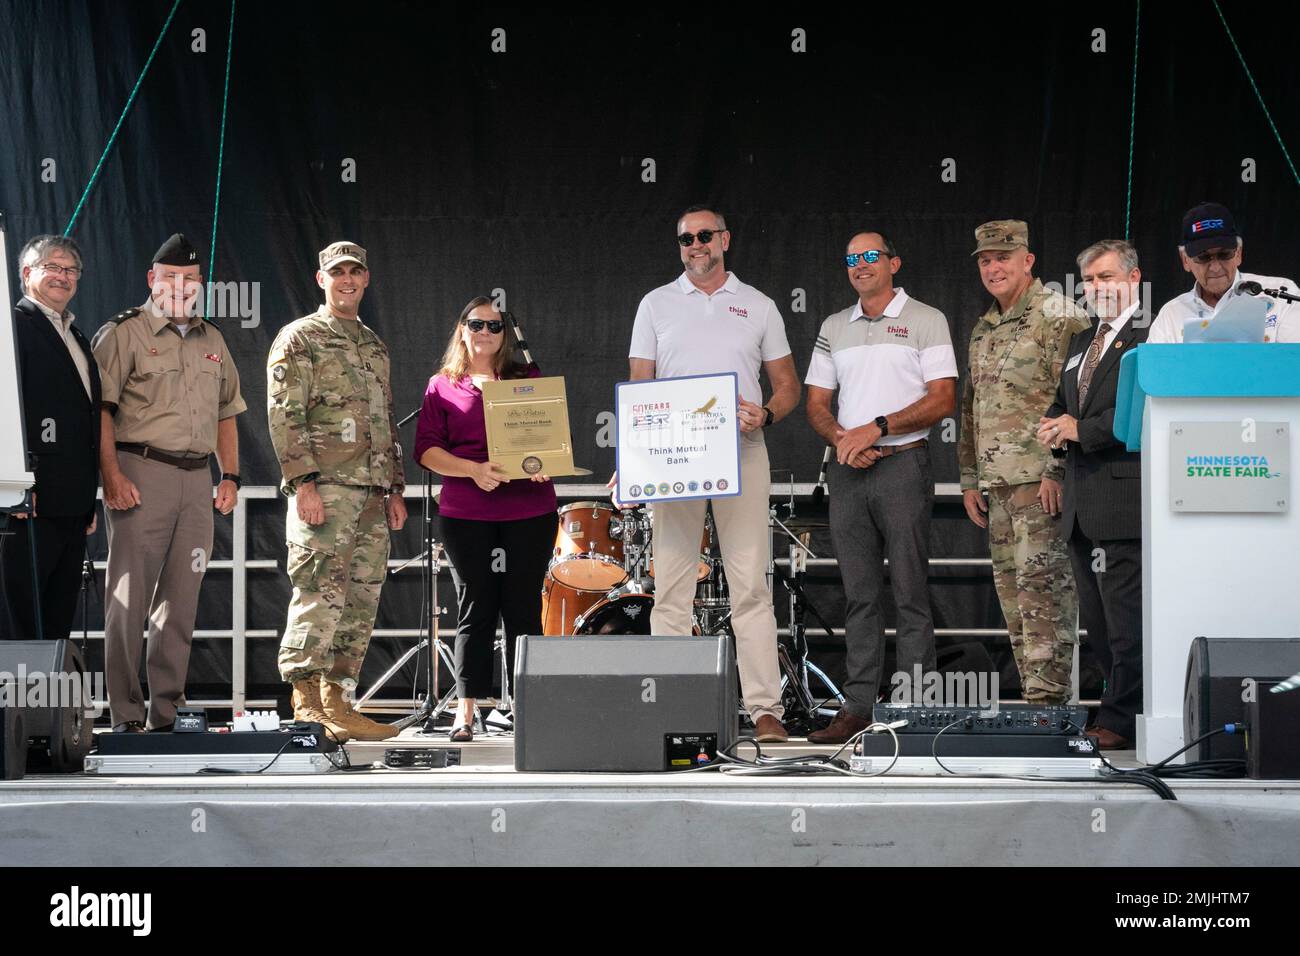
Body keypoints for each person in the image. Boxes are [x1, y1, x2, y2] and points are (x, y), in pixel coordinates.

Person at [616, 205, 801, 743]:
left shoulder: (759, 305)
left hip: (741, 451)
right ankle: (671, 706)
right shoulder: (655, 304)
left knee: (750, 586)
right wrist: (633, 462)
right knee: (671, 588)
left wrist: (766, 413)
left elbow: (787, 386)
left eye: (703, 236)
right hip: (674, 459)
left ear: (725, 238)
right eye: (684, 239)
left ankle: (766, 709)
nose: (694, 245)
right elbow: (640, 387)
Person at [804, 231, 957, 743]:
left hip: (903, 465)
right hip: (850, 470)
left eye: (871, 256)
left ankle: (912, 710)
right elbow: (816, 405)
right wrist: (847, 439)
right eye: (851, 258)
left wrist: (879, 427)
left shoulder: (926, 318)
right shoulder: (833, 326)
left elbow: (942, 399)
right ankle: (858, 708)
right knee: (859, 595)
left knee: (911, 591)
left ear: (894, 261)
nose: (861, 265)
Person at [92, 233, 245, 733]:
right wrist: (111, 476)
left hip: (196, 479)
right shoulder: (123, 333)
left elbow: (227, 413)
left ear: (201, 284)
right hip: (141, 472)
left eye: (190, 279)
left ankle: (167, 715)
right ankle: (125, 717)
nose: (180, 286)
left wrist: (231, 477)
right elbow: (101, 412)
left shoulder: (213, 339)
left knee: (181, 602)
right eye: (170, 277)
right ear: (151, 280)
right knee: (128, 599)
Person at [266, 241, 406, 742]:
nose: (347, 280)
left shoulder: (372, 344)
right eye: (337, 272)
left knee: (360, 600)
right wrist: (302, 483)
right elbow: (285, 414)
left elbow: (385, 421)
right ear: (321, 279)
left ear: (366, 279)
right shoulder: (300, 337)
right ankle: (306, 706)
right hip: (324, 489)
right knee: (319, 593)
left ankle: (339, 702)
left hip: (371, 493)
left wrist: (394, 487)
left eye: (355, 272)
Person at [958, 220, 1090, 704]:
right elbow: (971, 407)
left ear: (1028, 261)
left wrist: (1057, 469)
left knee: (1045, 597)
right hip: (997, 487)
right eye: (985, 260)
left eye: (1003, 257)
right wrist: (970, 476)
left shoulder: (1061, 316)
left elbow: (1077, 401)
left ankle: (1049, 710)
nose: (993, 267)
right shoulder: (984, 326)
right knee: (1015, 601)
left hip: (1041, 482)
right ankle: (1038, 706)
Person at [415, 297, 557, 741]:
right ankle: (465, 712)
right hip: (466, 511)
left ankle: (527, 710)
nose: (484, 332)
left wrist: (547, 458)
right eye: (475, 324)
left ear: (505, 334)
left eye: (493, 326)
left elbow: (548, 440)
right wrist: (474, 470)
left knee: (523, 607)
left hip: (529, 509)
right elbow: (427, 451)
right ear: (461, 330)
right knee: (475, 607)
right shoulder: (442, 385)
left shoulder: (527, 378)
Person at [1039, 240, 1147, 749]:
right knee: (1100, 626)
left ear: (1133, 278)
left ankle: (1123, 719)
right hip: (1081, 504)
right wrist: (1052, 437)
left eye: (1107, 277)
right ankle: (1116, 711)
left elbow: (1142, 414)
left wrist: (1080, 430)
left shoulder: (1151, 338)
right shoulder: (1082, 341)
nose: (1097, 288)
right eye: (1090, 280)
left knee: (1126, 623)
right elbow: (1062, 405)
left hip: (1122, 502)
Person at [2, 235, 100, 642]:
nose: (63, 276)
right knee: (22, 618)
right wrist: (14, 484)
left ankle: (47, 706)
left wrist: (86, 496)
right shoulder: (12, 327)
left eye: (70, 269)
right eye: (52, 267)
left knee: (58, 618)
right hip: (28, 503)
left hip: (72, 503)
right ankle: (17, 707)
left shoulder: (77, 335)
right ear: (27, 274)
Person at [1148, 202, 1299, 344]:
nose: (1215, 267)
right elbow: (1154, 370)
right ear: (1185, 261)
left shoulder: (1282, 294)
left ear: (1238, 253)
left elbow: (1293, 360)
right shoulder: (1171, 315)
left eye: (1224, 254)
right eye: (1203, 257)